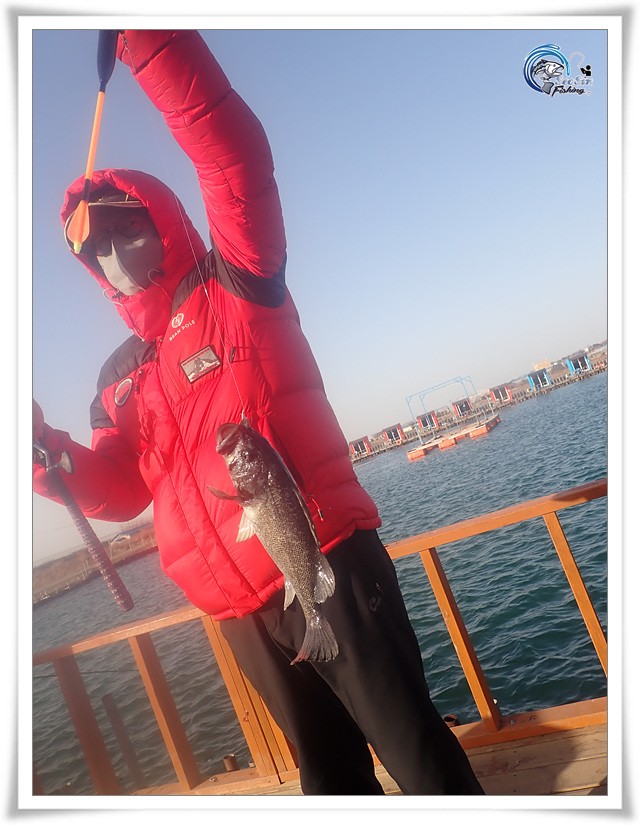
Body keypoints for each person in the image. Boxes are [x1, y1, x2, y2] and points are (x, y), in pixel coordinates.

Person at [33, 30, 484, 796]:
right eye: (95, 244)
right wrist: (48, 456)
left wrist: (148, 35)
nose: (112, 247)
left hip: (324, 560)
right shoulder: (117, 379)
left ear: (161, 217)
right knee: (330, 781)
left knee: (420, 756)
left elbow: (231, 152)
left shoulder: (236, 281)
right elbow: (121, 487)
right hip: (241, 614)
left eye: (123, 224)